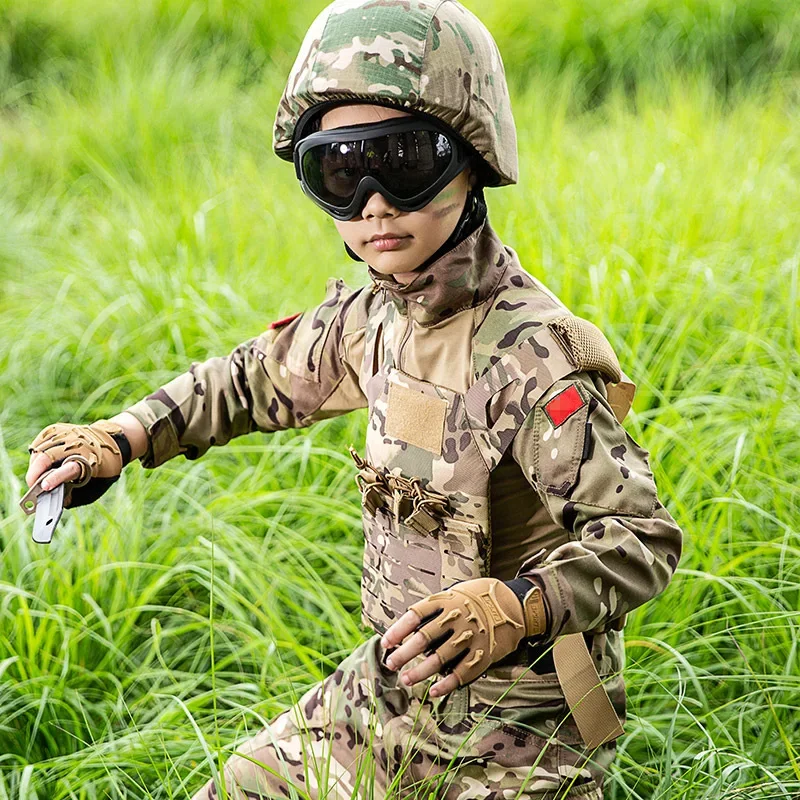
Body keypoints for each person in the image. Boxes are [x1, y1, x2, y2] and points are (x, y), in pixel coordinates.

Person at [24, 1, 683, 798]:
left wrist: (513, 607)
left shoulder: (534, 357)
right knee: (241, 785)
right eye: (339, 171)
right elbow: (248, 381)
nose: (374, 204)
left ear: (471, 163)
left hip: (527, 729)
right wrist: (120, 438)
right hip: (399, 692)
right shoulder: (372, 321)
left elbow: (643, 538)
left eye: (403, 164)